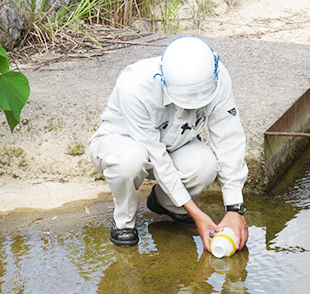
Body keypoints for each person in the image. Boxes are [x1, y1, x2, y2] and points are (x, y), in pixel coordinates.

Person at [89, 36, 248, 253]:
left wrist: (235, 209)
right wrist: (197, 214)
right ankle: (124, 221)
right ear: (163, 81)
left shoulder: (217, 76)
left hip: (175, 144)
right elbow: (157, 158)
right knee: (130, 160)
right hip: (122, 144)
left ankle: (167, 204)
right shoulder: (134, 86)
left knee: (204, 165)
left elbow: (229, 139)